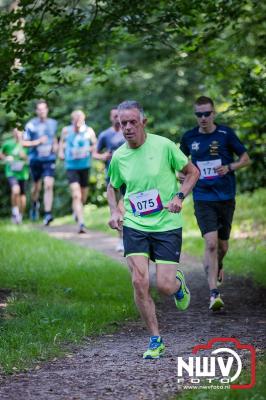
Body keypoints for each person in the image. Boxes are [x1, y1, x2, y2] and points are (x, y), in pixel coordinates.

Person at [107, 100, 199, 359]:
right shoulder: (119, 156)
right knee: (139, 281)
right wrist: (115, 211)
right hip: (135, 224)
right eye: (122, 123)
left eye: (132, 122)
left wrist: (179, 197)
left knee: (165, 287)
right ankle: (155, 339)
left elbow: (192, 172)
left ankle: (177, 282)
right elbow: (112, 186)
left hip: (167, 224)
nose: (126, 128)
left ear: (143, 122)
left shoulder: (164, 146)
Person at [180, 96, 250, 311]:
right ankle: (213, 294)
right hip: (202, 197)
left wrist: (229, 167)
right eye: (198, 114)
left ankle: (218, 264)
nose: (203, 118)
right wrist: (181, 177)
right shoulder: (189, 137)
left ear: (214, 114)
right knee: (210, 243)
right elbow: (178, 164)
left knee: (222, 246)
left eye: (206, 113)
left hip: (225, 196)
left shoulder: (225, 134)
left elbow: (245, 158)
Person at [93, 107, 126, 252]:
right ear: (110, 118)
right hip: (112, 176)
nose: (116, 118)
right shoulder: (105, 134)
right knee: (117, 208)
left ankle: (131, 237)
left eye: (118, 116)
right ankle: (121, 239)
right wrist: (103, 157)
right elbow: (94, 153)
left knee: (127, 205)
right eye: (114, 116)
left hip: (129, 174)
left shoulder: (128, 131)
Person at [59, 110, 97, 233]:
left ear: (83, 120)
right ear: (72, 120)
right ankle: (81, 223)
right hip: (71, 166)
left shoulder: (89, 131)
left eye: (80, 121)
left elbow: (95, 145)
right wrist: (60, 153)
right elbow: (61, 144)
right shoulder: (66, 130)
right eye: (75, 121)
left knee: (83, 196)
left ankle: (77, 211)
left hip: (85, 166)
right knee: (76, 194)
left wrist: (89, 149)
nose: (77, 124)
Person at [23, 99, 58, 225]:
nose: (42, 111)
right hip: (35, 160)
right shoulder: (31, 124)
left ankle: (48, 214)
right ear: (36, 111)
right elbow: (23, 142)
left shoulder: (53, 123)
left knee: (48, 184)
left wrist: (55, 146)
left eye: (44, 109)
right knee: (36, 187)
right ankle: (34, 203)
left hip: (49, 159)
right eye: (40, 109)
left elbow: (54, 138)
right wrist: (37, 142)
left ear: (47, 110)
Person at [0, 128, 29, 224]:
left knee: (23, 197)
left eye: (20, 131)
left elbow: (30, 159)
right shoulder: (8, 143)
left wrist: (24, 156)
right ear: (13, 133)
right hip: (11, 172)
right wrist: (6, 157)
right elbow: (1, 153)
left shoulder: (26, 144)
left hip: (23, 173)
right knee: (15, 190)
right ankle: (15, 212)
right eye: (16, 132)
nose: (17, 134)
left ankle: (20, 216)